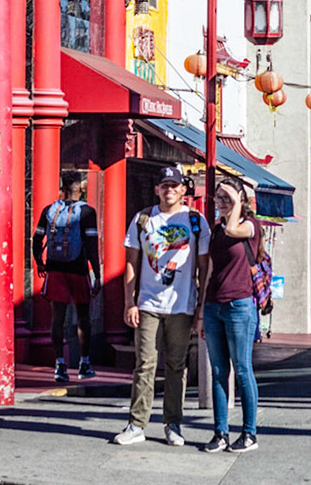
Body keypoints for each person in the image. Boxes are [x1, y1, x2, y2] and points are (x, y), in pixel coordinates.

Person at [113, 167, 209, 447]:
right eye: (164, 185)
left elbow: (204, 268)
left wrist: (200, 309)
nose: (169, 190)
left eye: (174, 185)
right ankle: (137, 423)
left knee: (176, 366)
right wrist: (129, 301)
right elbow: (131, 262)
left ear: (183, 190)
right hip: (148, 304)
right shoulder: (143, 219)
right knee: (144, 364)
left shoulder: (195, 221)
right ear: (157, 189)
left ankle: (173, 423)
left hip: (181, 305)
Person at [199, 177, 262, 452]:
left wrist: (236, 203)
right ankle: (220, 432)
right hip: (214, 306)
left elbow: (235, 229)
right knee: (218, 371)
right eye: (218, 198)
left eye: (227, 197)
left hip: (240, 305)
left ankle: (249, 434)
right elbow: (210, 271)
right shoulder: (215, 230)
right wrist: (201, 312)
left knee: (243, 369)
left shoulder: (250, 226)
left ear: (241, 199)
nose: (222, 202)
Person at [34, 171, 99, 383]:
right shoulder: (88, 212)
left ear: (62, 188)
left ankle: (59, 365)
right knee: (83, 317)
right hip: (78, 269)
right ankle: (84, 363)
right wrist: (96, 274)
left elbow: (37, 238)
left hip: (55, 269)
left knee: (57, 319)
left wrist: (39, 262)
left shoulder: (50, 210)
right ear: (80, 189)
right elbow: (92, 246)